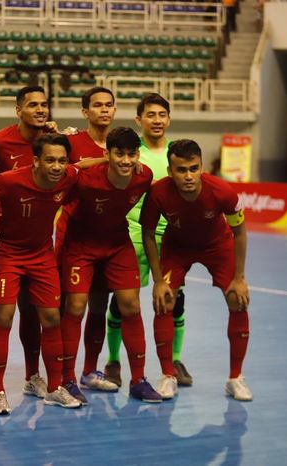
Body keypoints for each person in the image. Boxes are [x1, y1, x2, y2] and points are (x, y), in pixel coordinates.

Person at [140, 139, 252, 402]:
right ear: (170, 171)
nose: (188, 176)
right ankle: (168, 375)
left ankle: (235, 378)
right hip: (177, 248)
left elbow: (240, 232)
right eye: (181, 170)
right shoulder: (158, 193)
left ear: (201, 167)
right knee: (164, 301)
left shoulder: (222, 192)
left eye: (193, 168)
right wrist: (158, 280)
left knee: (238, 300)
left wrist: (239, 278)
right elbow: (147, 234)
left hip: (217, 246)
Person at [0, 133, 84, 414]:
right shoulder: (10, 180)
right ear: (35, 160)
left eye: (62, 160)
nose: (56, 166)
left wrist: (109, 158)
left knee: (51, 318)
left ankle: (53, 388)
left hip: (42, 255)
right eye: (49, 160)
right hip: (8, 255)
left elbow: (83, 167)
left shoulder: (68, 176)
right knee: (4, 316)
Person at [60, 127, 162, 405]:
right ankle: (67, 380)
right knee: (76, 307)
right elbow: (69, 173)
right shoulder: (85, 179)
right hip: (80, 244)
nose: (126, 160)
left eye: (132, 154)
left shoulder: (144, 176)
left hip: (117, 244)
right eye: (119, 154)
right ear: (107, 154)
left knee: (130, 306)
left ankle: (138, 380)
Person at [105, 93, 193, 389]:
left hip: (169, 238)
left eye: (162, 115)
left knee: (173, 302)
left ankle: (175, 360)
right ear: (138, 120)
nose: (157, 120)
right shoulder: (131, 152)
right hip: (131, 234)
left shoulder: (177, 153)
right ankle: (114, 360)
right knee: (122, 304)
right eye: (151, 115)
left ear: (169, 119)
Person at [0, 85, 53, 401]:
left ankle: (33, 376)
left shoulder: (53, 143)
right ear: (19, 110)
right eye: (33, 105)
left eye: (44, 105)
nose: (40, 110)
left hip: (37, 243)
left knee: (32, 312)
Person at [55, 87, 119, 393]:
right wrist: (96, 162)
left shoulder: (122, 144)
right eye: (97, 105)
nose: (104, 110)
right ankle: (65, 374)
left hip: (108, 239)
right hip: (74, 237)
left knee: (98, 306)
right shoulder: (72, 141)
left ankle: (90, 370)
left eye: (109, 105)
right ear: (85, 112)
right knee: (73, 306)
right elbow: (61, 172)